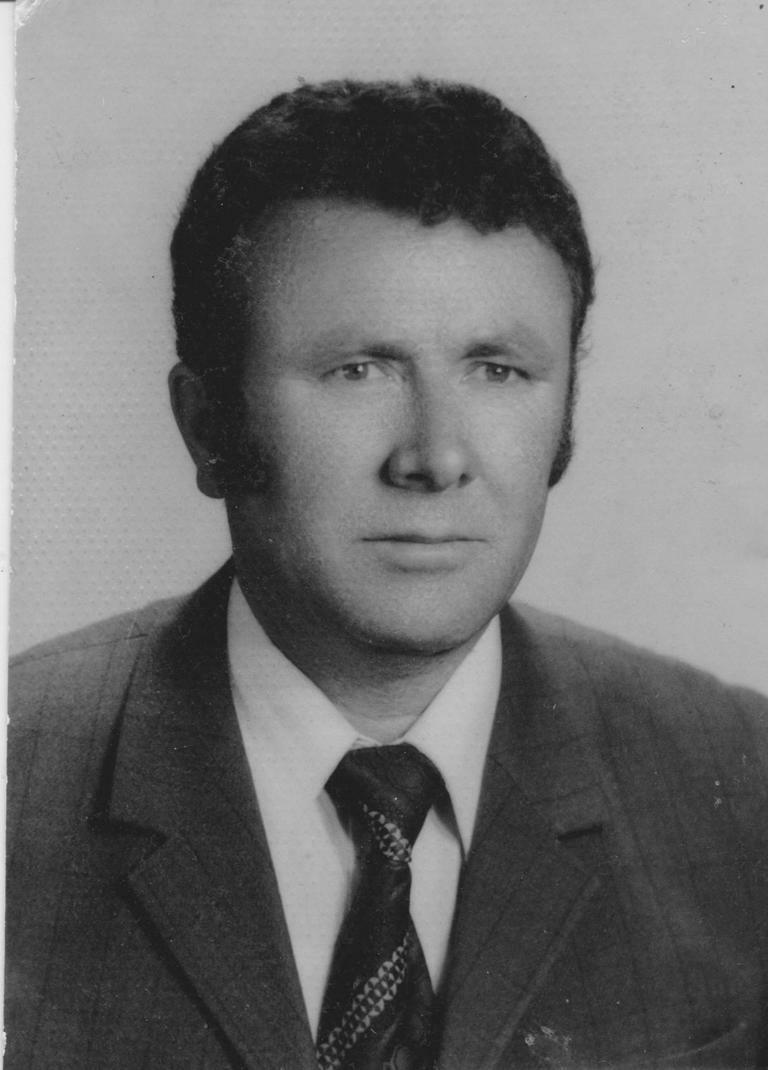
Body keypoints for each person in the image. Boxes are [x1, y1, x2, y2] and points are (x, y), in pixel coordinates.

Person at [6, 78, 768, 1070]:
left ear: (566, 422)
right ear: (207, 425)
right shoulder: (18, 779)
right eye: (358, 369)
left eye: (498, 369)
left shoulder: (742, 776)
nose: (436, 458)